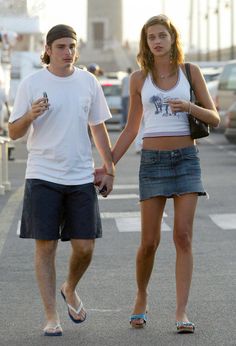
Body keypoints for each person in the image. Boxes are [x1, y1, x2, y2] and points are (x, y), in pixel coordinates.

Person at [95, 15, 220, 333]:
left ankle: (181, 312)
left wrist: (189, 108)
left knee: (183, 236)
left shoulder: (190, 72)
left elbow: (215, 118)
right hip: (152, 161)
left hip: (186, 160)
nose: (157, 41)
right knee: (148, 242)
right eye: (151, 37)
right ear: (146, 43)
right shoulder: (139, 78)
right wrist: (109, 165)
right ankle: (141, 296)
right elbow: (131, 127)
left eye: (162, 35)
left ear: (172, 38)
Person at [8, 24, 115, 337]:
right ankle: (51, 316)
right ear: (49, 49)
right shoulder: (32, 83)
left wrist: (109, 167)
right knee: (46, 248)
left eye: (71, 46)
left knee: (85, 247)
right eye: (61, 47)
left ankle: (70, 287)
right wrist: (30, 115)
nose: (67, 52)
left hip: (80, 175)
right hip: (42, 174)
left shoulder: (88, 82)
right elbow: (14, 132)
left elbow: (98, 127)